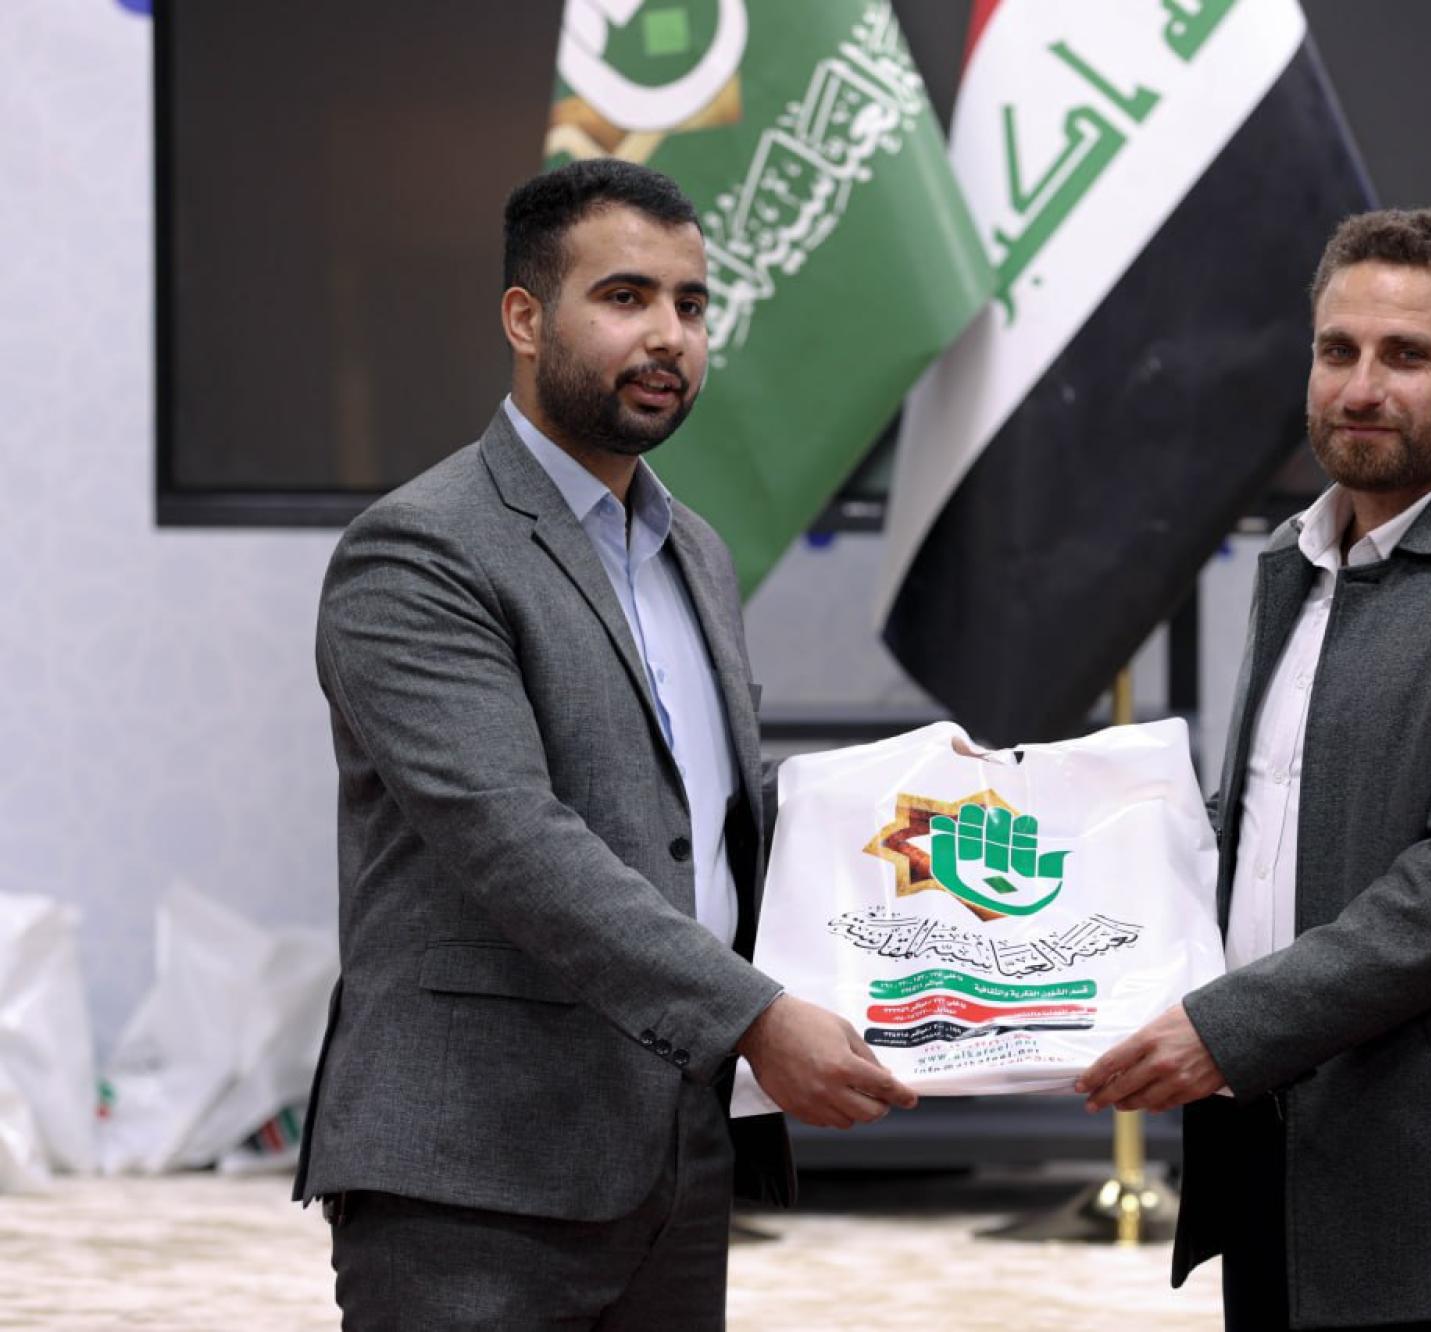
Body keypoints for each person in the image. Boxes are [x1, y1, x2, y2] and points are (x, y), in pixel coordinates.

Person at [292, 158, 917, 1330]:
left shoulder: (695, 552)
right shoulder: (419, 550)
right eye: (625, 297)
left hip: (674, 1153)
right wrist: (754, 1017)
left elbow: (695, 817)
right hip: (473, 1171)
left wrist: (922, 813)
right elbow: (515, 840)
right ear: (524, 319)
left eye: (691, 303)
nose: (668, 335)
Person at [1076, 208, 1431, 1330]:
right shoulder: (1293, 557)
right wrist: (1047, 825)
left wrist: (1225, 1028)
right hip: (1271, 1160)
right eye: (1337, 350)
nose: (1361, 387)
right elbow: (1263, 823)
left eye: (1407, 356)